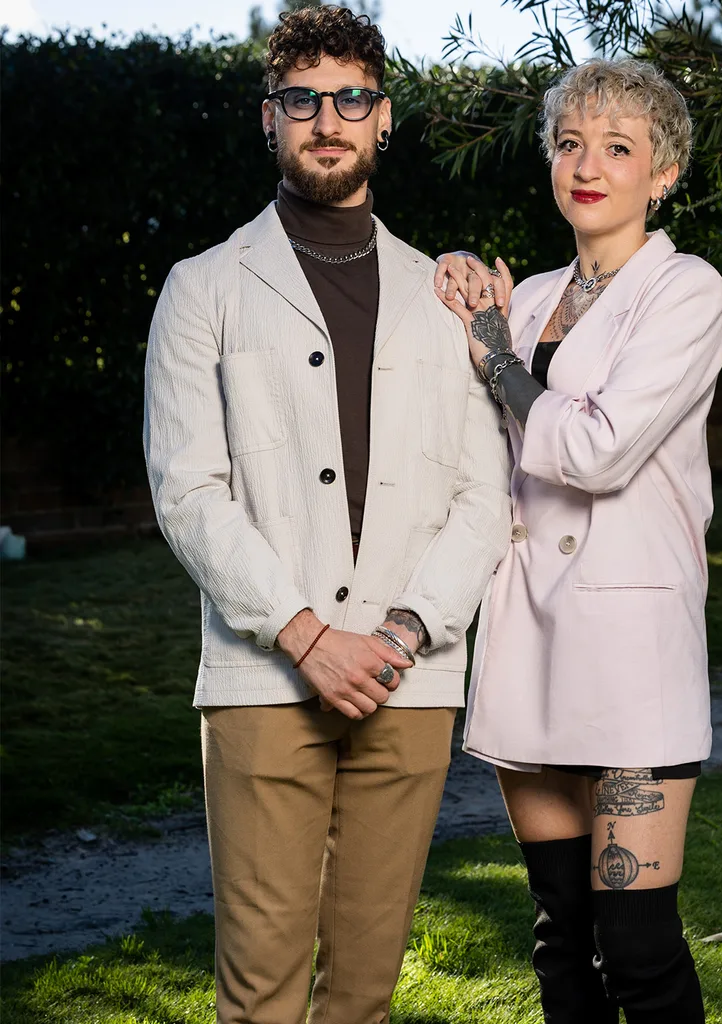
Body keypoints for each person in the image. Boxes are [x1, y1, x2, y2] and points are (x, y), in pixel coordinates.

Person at [143, 7, 511, 1022]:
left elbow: (486, 495)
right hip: (265, 677)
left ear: (382, 117)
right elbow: (188, 492)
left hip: (412, 674)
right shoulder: (202, 290)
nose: (327, 119)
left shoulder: (448, 296)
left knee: (364, 990)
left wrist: (396, 634)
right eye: (302, 99)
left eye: (351, 97)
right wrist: (307, 636)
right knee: (259, 991)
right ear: (271, 120)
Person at [434, 58, 722, 1023]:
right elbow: (469, 430)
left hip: (629, 647)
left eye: (617, 147)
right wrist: (454, 285)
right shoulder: (525, 299)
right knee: (561, 934)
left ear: (663, 172)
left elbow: (597, 450)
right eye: (569, 143)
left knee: (637, 945)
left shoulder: (685, 290)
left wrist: (502, 367)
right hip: (528, 634)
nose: (587, 165)